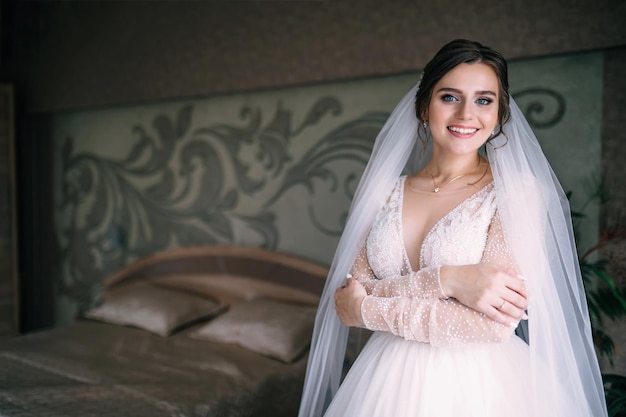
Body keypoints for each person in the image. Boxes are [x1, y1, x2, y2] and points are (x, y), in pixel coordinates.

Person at [298, 39, 608, 417]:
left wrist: (369, 309)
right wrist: (449, 280)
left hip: (478, 389)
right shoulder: (385, 192)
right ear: (424, 107)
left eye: (483, 100)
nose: (466, 114)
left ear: (500, 114)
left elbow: (491, 323)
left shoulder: (518, 194)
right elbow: (349, 297)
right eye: (449, 97)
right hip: (381, 383)